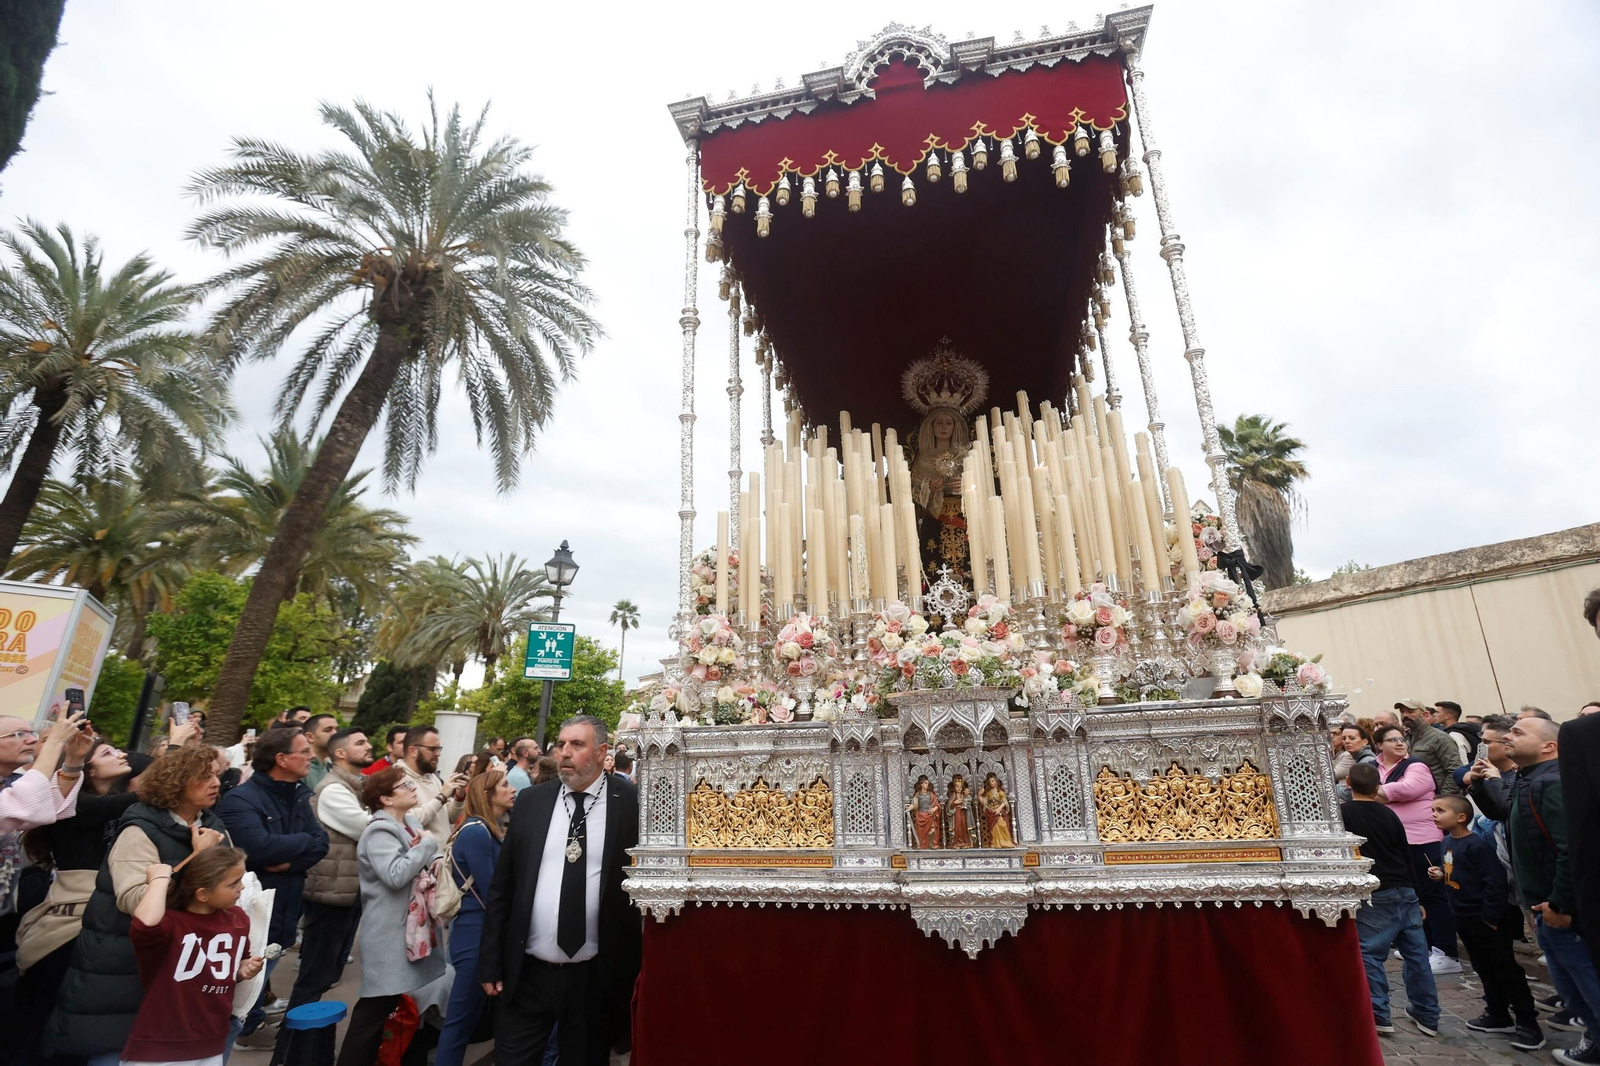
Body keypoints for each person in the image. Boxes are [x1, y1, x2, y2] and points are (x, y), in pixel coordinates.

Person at [42, 746, 230, 1063]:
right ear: (176, 783)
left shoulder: (213, 827)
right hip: (122, 971)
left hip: (178, 967)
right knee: (115, 1052)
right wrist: (198, 858)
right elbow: (138, 901)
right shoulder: (138, 829)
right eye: (204, 776)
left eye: (216, 775)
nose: (215, 783)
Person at [478, 715, 641, 1065]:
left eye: (577, 745)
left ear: (601, 752)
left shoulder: (628, 802)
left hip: (593, 979)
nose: (565, 753)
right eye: (561, 744)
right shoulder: (533, 801)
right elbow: (502, 887)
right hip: (526, 974)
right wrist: (490, 961)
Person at [1495, 715, 1600, 1066]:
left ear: (1549, 746)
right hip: (1545, 906)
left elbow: (1573, 849)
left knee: (1586, 983)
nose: (1507, 736)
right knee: (1571, 985)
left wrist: (1560, 902)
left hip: (1560, 909)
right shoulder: (1529, 780)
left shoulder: (1551, 784)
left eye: (1517, 732)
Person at [216, 726, 330, 1049]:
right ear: (281, 759)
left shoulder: (298, 794)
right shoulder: (241, 799)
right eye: (303, 752)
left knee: (261, 978)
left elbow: (321, 844)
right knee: (239, 988)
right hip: (251, 913)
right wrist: (301, 844)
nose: (311, 757)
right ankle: (240, 1033)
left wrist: (291, 861)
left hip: (285, 909)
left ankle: (248, 1026)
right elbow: (260, 848)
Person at [335, 767, 444, 1066]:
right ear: (385, 799)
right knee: (373, 1010)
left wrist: (430, 855)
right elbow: (395, 875)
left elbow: (421, 857)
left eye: (410, 783)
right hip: (387, 933)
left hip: (404, 929)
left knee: (385, 1006)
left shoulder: (408, 821)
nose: (412, 788)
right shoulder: (379, 830)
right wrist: (427, 846)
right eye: (404, 785)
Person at [121, 846, 263, 1065]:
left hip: (211, 1042)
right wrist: (159, 878)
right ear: (202, 894)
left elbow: (234, 964)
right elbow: (144, 926)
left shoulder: (238, 918)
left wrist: (243, 969)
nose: (241, 887)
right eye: (233, 884)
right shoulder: (170, 923)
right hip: (160, 1046)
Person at [1429, 795, 1545, 1050]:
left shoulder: (1477, 845)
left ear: (1461, 817)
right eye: (1433, 810)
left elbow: (1494, 882)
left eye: (1440, 810)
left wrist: (1491, 918)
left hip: (1485, 919)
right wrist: (1440, 873)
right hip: (1463, 916)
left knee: (1504, 969)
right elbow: (1457, 871)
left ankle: (1528, 1021)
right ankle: (1497, 1013)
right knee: (1483, 968)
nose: (1434, 814)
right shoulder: (1447, 842)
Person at [1342, 762, 1441, 1038]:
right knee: (1418, 955)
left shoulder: (1344, 813)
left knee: (1370, 954)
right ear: (1378, 788)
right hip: (1404, 888)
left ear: (1348, 782)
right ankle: (1428, 1014)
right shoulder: (1390, 815)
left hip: (1375, 890)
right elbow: (1406, 855)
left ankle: (1379, 1013)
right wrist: (1417, 895)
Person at [284, 728, 372, 1019]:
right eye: (360, 743)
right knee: (313, 979)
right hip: (328, 894)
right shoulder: (333, 789)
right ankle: (292, 1050)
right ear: (340, 753)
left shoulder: (355, 786)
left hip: (345, 891)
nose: (368, 746)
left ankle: (305, 1044)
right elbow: (369, 829)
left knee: (324, 975)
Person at [436, 769, 516, 1066]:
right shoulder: (476, 831)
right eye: (504, 785)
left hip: (479, 932)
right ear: (486, 795)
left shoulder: (485, 828)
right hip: (474, 936)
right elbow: (493, 887)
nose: (511, 790)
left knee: (466, 1018)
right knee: (460, 1020)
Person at [1372, 722, 1461, 975]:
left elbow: (1408, 789)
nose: (1400, 743)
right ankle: (1428, 945)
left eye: (1402, 739)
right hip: (1394, 842)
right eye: (1393, 740)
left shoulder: (1416, 765)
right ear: (1379, 745)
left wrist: (1374, 791)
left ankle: (1447, 952)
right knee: (1415, 895)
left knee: (1434, 894)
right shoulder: (1373, 767)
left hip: (1424, 839)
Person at [401, 726, 468, 845]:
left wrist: (459, 796)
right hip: (424, 859)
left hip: (443, 856)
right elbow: (408, 820)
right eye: (432, 749)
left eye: (439, 748)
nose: (438, 754)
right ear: (412, 751)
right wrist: (441, 797)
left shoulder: (432, 777)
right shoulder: (397, 778)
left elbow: (449, 818)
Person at [1393, 700, 1465, 796]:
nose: (1405, 715)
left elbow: (1455, 770)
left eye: (1410, 711)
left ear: (1425, 714)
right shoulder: (1404, 739)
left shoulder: (1440, 738)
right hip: (1415, 797)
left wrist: (1442, 796)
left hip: (1437, 799)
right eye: (1402, 712)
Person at [1434, 701, 1481, 766]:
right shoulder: (1459, 731)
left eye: (1437, 712)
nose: (1434, 715)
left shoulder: (1454, 735)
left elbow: (1461, 762)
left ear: (1447, 716)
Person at [302, 713, 339, 789]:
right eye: (328, 730)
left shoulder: (331, 766)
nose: (335, 733)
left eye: (337, 729)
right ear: (310, 737)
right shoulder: (300, 768)